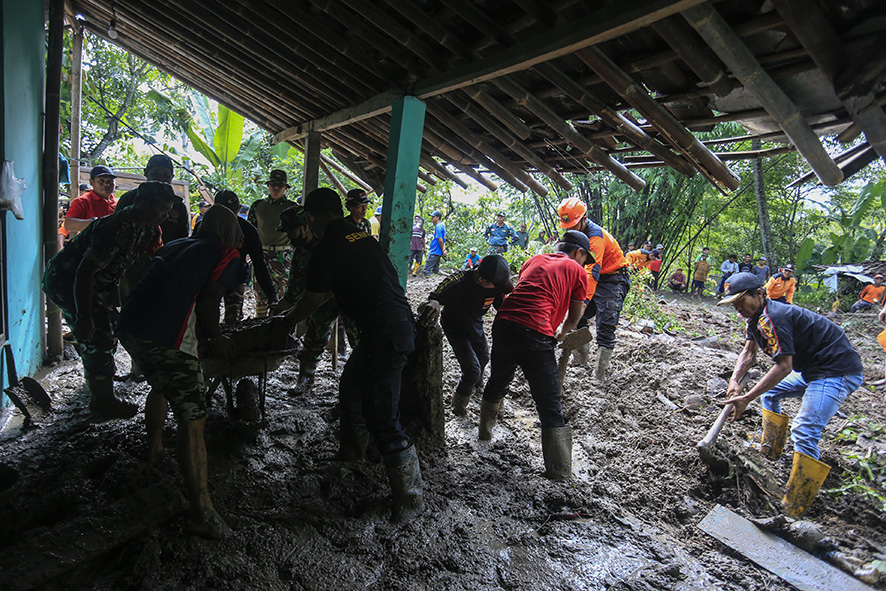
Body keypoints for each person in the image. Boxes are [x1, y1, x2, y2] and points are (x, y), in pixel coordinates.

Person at [275, 188, 424, 523]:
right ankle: (350, 456)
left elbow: (312, 300)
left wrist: (283, 322)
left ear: (311, 216)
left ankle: (411, 500)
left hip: (386, 333)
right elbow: (332, 287)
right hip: (387, 328)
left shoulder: (328, 246)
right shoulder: (360, 237)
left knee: (383, 417)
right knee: (351, 389)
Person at [117, 204, 243, 539]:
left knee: (161, 385)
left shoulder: (176, 244)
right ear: (230, 233)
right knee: (193, 418)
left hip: (130, 327)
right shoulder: (225, 251)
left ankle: (156, 448)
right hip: (169, 335)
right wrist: (216, 337)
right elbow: (207, 303)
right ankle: (201, 511)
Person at [718, 273, 864, 518]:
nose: (738, 308)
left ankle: (795, 505)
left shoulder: (777, 316)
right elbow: (748, 351)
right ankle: (771, 450)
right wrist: (734, 381)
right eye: (734, 303)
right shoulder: (755, 318)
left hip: (836, 371)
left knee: (805, 430)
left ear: (760, 294)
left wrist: (746, 398)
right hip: (812, 369)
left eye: (741, 301)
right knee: (771, 395)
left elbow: (784, 366)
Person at [42, 181, 175, 418]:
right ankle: (103, 402)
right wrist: (84, 316)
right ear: (144, 204)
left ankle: (96, 372)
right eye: (162, 209)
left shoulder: (149, 230)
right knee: (100, 335)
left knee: (116, 328)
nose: (166, 215)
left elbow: (142, 265)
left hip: (97, 285)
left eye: (168, 210)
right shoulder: (115, 228)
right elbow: (85, 272)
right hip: (66, 280)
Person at [477, 231, 590, 480]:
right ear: (578, 252)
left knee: (499, 379)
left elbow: (525, 291)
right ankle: (559, 471)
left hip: (504, 322)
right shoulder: (578, 270)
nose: (584, 262)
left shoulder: (535, 259)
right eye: (585, 257)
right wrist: (562, 334)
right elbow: (574, 315)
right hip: (536, 330)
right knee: (549, 402)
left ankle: (484, 434)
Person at [273, 205, 357, 395]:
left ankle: (358, 388)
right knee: (312, 340)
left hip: (348, 298)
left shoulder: (331, 244)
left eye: (292, 231)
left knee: (360, 343)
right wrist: (280, 310)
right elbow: (294, 290)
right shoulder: (300, 253)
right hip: (321, 304)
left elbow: (343, 279)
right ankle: (305, 380)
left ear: (305, 226)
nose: (290, 237)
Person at [422, 255, 513, 417]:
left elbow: (505, 307)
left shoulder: (496, 286)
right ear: (482, 279)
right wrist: (434, 303)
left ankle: (477, 385)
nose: (497, 288)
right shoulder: (459, 281)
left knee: (484, 357)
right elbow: (434, 297)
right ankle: (458, 405)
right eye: (494, 285)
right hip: (455, 327)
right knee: (471, 370)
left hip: (475, 324)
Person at [557, 197, 629, 379]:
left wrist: (583, 301)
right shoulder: (575, 235)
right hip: (593, 277)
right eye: (568, 227)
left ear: (583, 218)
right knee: (577, 319)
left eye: (574, 225)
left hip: (613, 278)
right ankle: (579, 361)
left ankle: (600, 373)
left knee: (605, 324)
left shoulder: (595, 237)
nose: (571, 229)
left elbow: (592, 271)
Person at [211, 190, 277, 323]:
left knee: (233, 320)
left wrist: (271, 294)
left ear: (238, 209)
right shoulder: (206, 227)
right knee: (208, 317)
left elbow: (259, 263)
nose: (228, 216)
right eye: (224, 211)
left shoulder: (247, 230)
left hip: (236, 277)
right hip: (211, 278)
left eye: (232, 211)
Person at [247, 169, 297, 317]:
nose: (276, 188)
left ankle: (278, 329)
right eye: (273, 184)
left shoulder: (292, 207)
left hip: (284, 256)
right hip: (262, 255)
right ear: (268, 185)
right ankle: (260, 328)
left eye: (280, 185)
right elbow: (251, 232)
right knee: (260, 294)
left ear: (285, 188)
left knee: (282, 295)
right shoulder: (257, 206)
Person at [115, 154, 190, 243]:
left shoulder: (178, 205)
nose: (161, 179)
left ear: (172, 177)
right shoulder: (129, 199)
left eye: (166, 176)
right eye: (155, 174)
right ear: (146, 173)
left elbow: (182, 239)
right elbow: (115, 229)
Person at [64, 165, 118, 238]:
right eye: (101, 181)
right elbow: (69, 224)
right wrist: (93, 223)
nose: (106, 184)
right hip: (92, 246)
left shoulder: (118, 202)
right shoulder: (82, 201)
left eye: (110, 181)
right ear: (91, 182)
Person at [423, 210, 446, 277]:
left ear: (437, 217)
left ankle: (428, 284)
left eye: (433, 217)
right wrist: (444, 249)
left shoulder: (438, 227)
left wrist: (442, 250)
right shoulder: (442, 226)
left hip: (434, 251)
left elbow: (440, 240)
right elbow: (443, 240)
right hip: (438, 252)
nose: (432, 218)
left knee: (426, 270)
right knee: (435, 270)